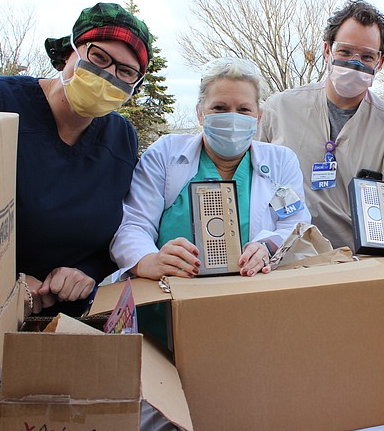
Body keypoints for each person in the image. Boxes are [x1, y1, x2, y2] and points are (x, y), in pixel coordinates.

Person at [0, 2, 151, 317]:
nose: (108, 76)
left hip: (58, 324)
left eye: (126, 72)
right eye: (99, 57)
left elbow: (114, 233)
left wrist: (85, 272)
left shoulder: (120, 139)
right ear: (70, 51)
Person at [110, 57, 310, 283]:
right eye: (219, 108)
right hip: (173, 293)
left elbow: (295, 225)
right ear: (200, 113)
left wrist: (268, 248)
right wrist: (149, 260)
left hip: (253, 291)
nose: (232, 118)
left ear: (258, 117)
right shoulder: (166, 154)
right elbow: (135, 223)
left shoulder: (281, 161)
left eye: (244, 109)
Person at [257, 0, 384, 264]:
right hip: (284, 259)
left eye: (367, 56)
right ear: (327, 50)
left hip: (360, 262)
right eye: (345, 52)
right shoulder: (279, 108)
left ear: (380, 62)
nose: (355, 64)